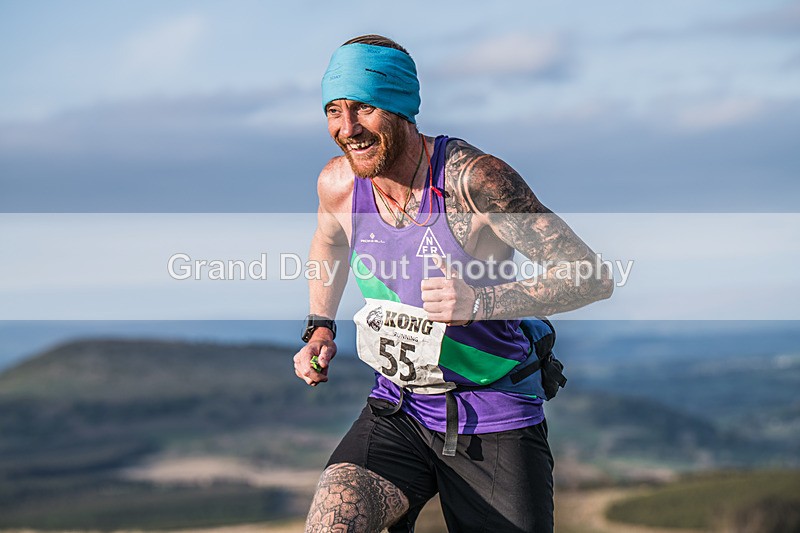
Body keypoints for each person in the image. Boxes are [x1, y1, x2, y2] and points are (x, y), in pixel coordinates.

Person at [293, 34, 613, 533]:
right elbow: (329, 242)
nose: (347, 128)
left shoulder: (474, 181)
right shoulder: (338, 184)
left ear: (401, 107)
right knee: (331, 524)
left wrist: (480, 301)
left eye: (365, 109)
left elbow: (591, 275)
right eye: (333, 110)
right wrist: (319, 325)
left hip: (494, 416)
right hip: (399, 407)